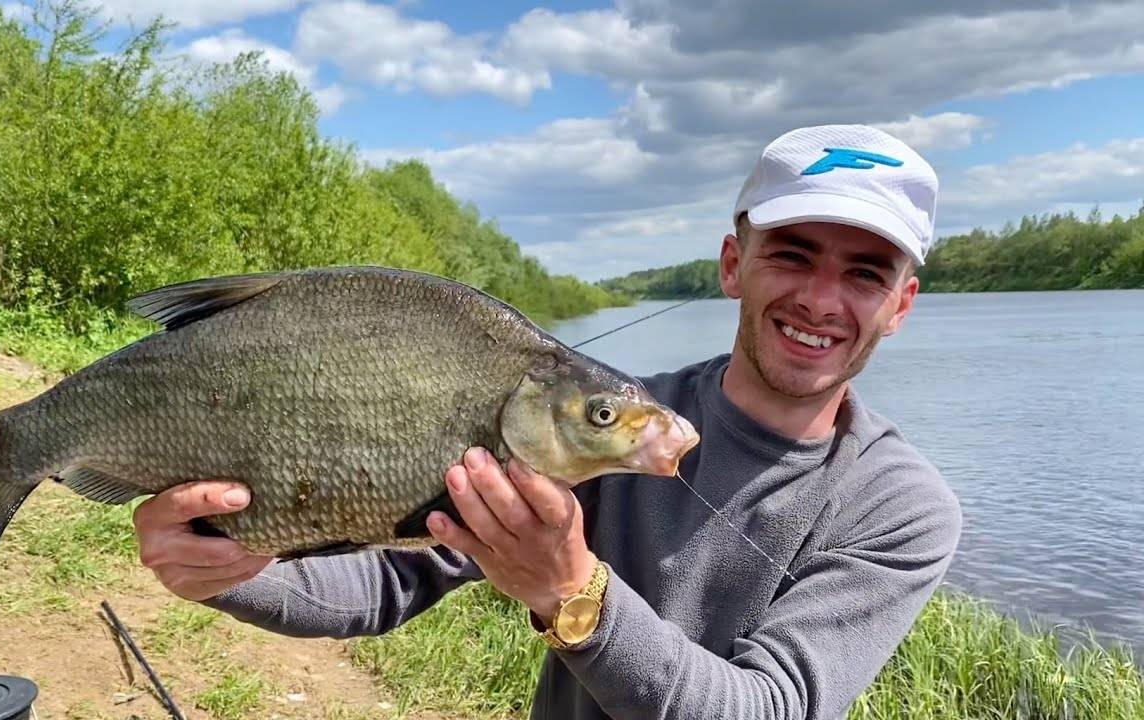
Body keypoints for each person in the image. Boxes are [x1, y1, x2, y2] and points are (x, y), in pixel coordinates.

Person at [131, 124, 962, 719]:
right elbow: (394, 578)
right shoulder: (588, 423)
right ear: (733, 264)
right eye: (793, 254)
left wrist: (572, 592)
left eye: (864, 272)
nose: (821, 299)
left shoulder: (899, 508)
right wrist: (233, 570)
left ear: (901, 305)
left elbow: (774, 707)